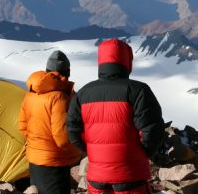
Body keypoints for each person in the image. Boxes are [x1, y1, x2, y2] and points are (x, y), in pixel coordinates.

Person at [67, 39, 165, 194]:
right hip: (131, 175)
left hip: (96, 177)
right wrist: (143, 152)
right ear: (127, 61)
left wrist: (92, 151)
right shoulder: (139, 90)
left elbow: (73, 131)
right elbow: (153, 130)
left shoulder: (83, 93)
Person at [19, 50, 81, 194]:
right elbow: (62, 139)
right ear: (67, 72)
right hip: (55, 161)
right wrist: (80, 146)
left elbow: (22, 126)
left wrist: (37, 144)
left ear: (47, 71)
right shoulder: (60, 97)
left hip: (35, 160)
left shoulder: (31, 93)